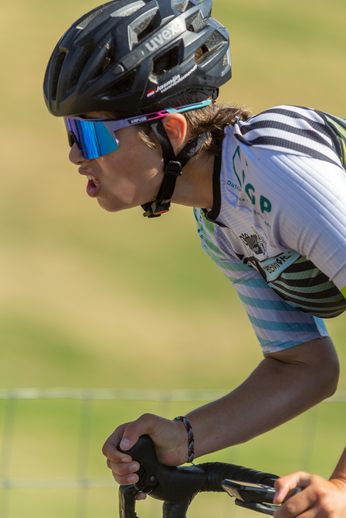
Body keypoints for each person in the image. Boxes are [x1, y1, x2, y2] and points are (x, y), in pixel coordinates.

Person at [43, 0, 346, 515]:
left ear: (172, 133)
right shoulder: (220, 222)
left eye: (91, 134)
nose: (75, 155)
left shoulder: (276, 169)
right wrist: (183, 438)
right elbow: (303, 366)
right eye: (72, 134)